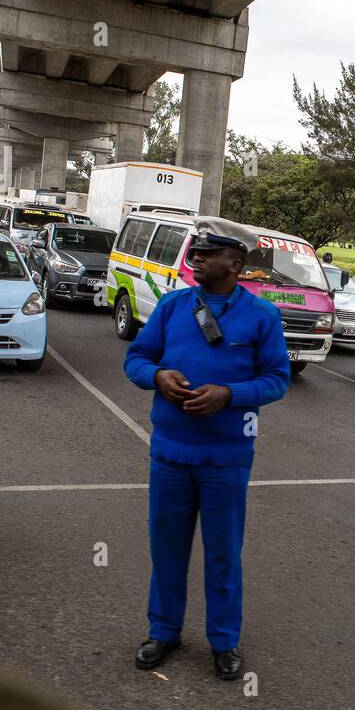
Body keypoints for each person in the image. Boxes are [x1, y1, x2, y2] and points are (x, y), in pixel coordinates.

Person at [123, 218, 290, 678]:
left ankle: (223, 641)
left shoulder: (261, 316)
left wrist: (229, 395)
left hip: (226, 459)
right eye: (195, 250)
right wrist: (157, 376)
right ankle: (163, 632)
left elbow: (277, 380)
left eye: (207, 252)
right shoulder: (173, 306)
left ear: (235, 263)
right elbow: (136, 358)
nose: (195, 256)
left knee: (222, 552)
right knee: (167, 548)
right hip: (171, 454)